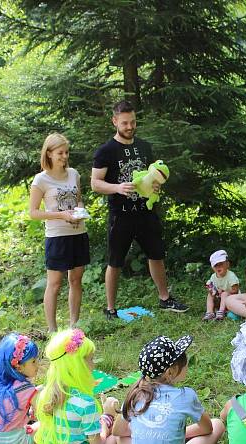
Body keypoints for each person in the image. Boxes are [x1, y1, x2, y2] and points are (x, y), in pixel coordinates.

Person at [90, 100, 188, 318]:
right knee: (115, 262)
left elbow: (156, 173)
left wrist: (156, 185)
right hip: (121, 215)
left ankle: (165, 298)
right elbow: (95, 183)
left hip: (146, 211)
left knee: (156, 255)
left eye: (133, 122)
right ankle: (110, 308)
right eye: (124, 123)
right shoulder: (106, 151)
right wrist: (117, 187)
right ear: (114, 121)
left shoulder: (144, 147)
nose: (130, 127)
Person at [113, 335, 225, 444]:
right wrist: (176, 434)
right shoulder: (186, 395)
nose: (187, 364)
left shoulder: (134, 394)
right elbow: (207, 429)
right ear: (170, 372)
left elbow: (117, 431)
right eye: (183, 360)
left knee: (121, 436)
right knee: (217, 424)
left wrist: (146, 432)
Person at [34, 329, 120, 444]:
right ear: (78, 366)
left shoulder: (50, 393)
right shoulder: (85, 403)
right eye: (90, 360)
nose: (93, 364)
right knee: (118, 437)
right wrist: (106, 420)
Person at [29, 133, 89, 331]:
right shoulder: (41, 180)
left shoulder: (74, 174)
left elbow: (78, 199)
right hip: (57, 237)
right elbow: (34, 213)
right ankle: (52, 330)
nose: (64, 156)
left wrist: (80, 212)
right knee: (54, 284)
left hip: (78, 233)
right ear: (49, 154)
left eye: (66, 152)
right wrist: (61, 216)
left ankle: (74, 326)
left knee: (76, 279)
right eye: (60, 153)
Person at [0, 333, 40, 444]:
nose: (38, 365)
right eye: (34, 361)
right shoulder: (27, 390)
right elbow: (43, 414)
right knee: (43, 426)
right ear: (18, 367)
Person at [204, 249, 240, 321]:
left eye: (221, 264)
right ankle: (210, 312)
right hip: (220, 300)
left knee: (224, 294)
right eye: (215, 265)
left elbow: (236, 290)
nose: (218, 267)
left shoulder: (231, 276)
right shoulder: (213, 277)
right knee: (210, 294)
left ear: (227, 264)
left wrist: (224, 292)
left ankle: (221, 312)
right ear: (212, 267)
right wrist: (211, 290)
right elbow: (213, 288)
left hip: (232, 299)